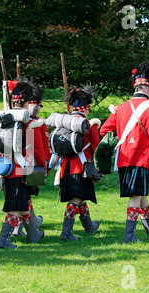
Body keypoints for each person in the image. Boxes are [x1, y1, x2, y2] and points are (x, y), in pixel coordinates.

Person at [100, 61, 149, 243]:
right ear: (147, 88)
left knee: (140, 192)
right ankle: (129, 236)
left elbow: (104, 130)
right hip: (142, 158)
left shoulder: (121, 108)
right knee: (136, 196)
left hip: (123, 158)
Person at [0, 79, 46, 249]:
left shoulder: (4, 121)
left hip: (8, 169)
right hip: (26, 170)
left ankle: (34, 234)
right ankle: (3, 240)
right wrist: (41, 171)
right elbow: (37, 150)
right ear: (25, 103)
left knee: (22, 205)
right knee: (15, 208)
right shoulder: (31, 123)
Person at [50, 86, 101, 241]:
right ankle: (66, 233)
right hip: (82, 168)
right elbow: (96, 148)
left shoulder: (64, 123)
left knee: (81, 198)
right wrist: (100, 169)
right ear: (85, 108)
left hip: (65, 168)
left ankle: (89, 227)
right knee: (76, 199)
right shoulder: (88, 125)